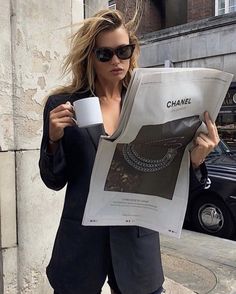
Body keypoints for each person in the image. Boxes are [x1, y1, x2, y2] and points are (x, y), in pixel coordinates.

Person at [39, 8, 220, 294]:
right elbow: (54, 180)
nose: (116, 60)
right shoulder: (64, 106)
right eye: (105, 54)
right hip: (81, 244)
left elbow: (165, 176)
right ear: (90, 56)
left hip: (137, 244)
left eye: (123, 51)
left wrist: (195, 159)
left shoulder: (153, 103)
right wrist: (53, 140)